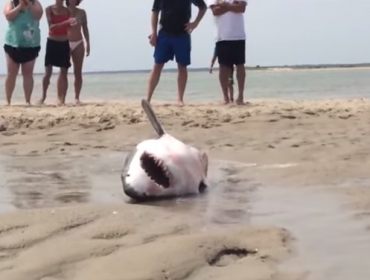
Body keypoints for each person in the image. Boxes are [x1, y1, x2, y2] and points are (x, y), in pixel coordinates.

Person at [146, 0, 207, 106]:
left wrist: (195, 23)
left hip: (182, 35)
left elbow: (203, 7)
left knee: (182, 67)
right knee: (157, 65)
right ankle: (148, 99)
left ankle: (180, 99)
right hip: (164, 34)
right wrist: (154, 33)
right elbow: (155, 11)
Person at [3, 0, 43, 106]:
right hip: (13, 43)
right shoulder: (11, 4)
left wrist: (29, 4)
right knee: (11, 74)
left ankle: (27, 100)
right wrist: (20, 6)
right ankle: (8, 101)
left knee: (28, 73)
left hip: (31, 44)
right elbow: (8, 16)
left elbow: (38, 16)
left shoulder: (35, 3)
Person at [207, 0, 248, 105]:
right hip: (222, 36)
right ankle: (226, 97)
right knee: (223, 68)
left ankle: (240, 96)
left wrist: (224, 5)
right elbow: (215, 11)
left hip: (238, 35)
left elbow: (242, 8)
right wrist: (233, 6)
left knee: (240, 66)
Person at [39, 0, 75, 106]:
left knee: (64, 72)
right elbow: (51, 26)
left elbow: (69, 26)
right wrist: (66, 22)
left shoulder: (68, 10)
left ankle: (61, 98)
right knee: (48, 72)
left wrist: (72, 23)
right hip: (52, 42)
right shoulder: (49, 9)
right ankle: (43, 96)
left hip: (64, 42)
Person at [66, 0, 90, 104]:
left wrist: (87, 43)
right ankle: (61, 97)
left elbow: (85, 28)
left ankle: (76, 97)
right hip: (65, 42)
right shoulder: (63, 11)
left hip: (79, 42)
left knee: (78, 72)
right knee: (63, 72)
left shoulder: (82, 12)